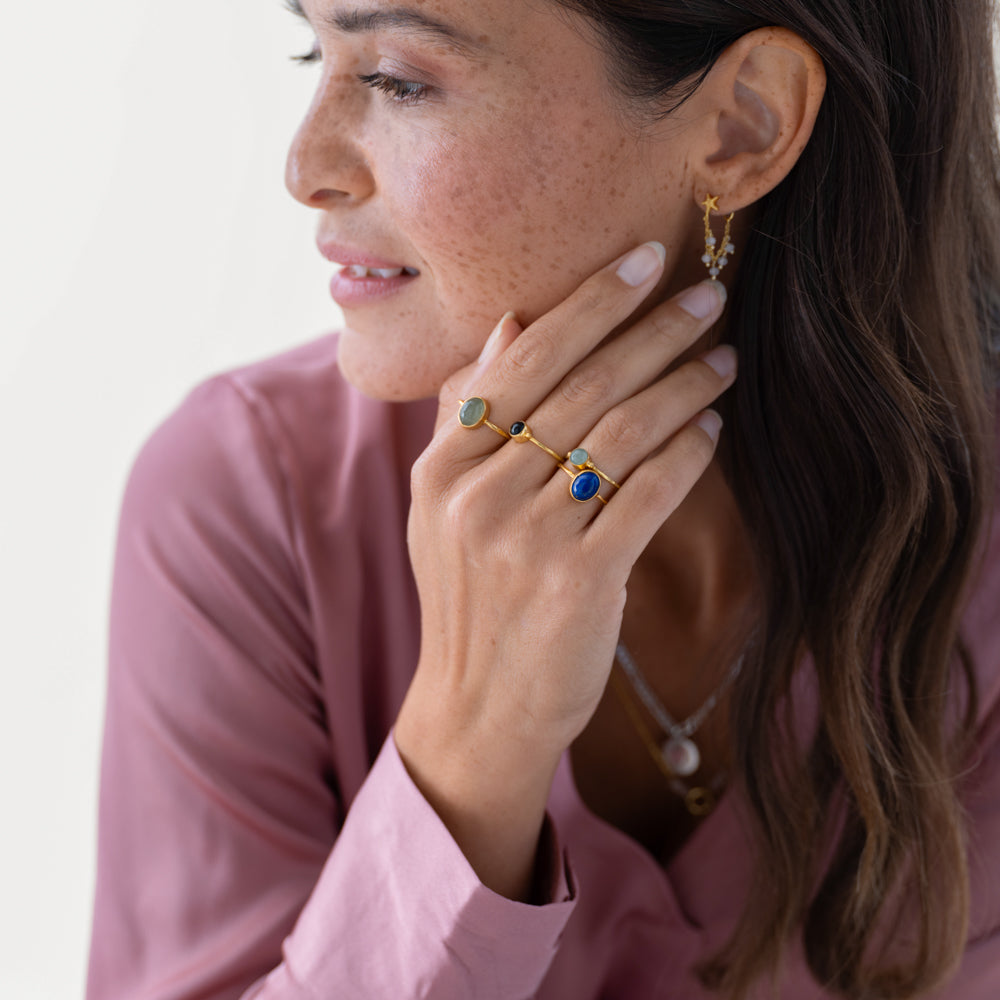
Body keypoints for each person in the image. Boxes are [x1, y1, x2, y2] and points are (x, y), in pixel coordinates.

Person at [85, 0, 1000, 997]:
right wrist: (467, 747)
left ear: (744, 122)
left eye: (396, 77)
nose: (307, 167)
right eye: (316, 51)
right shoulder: (248, 501)